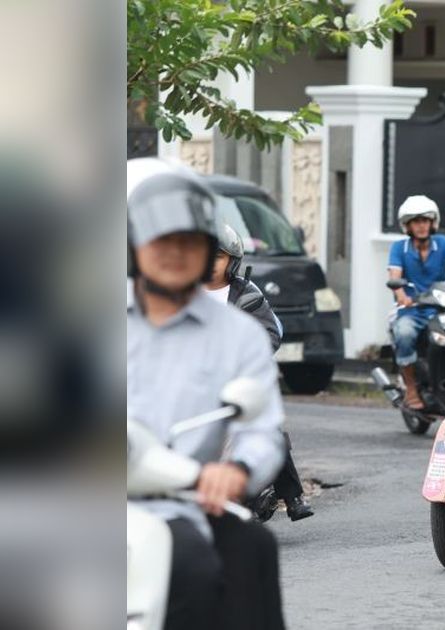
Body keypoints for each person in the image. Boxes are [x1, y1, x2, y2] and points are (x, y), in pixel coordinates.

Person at [126, 158, 286, 630]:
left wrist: (236, 470)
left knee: (252, 549)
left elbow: (263, 430)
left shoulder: (239, 335)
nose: (176, 251)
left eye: (190, 239)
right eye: (161, 239)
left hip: (190, 500)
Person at [204, 224, 314, 522]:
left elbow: (270, 331)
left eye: (218, 257)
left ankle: (293, 496)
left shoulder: (244, 292)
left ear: (233, 260)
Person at [387, 195, 445, 409]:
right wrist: (401, 296)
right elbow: (395, 275)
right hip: (412, 309)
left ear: (432, 222)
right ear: (407, 225)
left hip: (439, 308)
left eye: (425, 220)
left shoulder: (442, 243)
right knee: (405, 334)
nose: (421, 226)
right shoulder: (399, 248)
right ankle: (411, 388)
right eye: (416, 221)